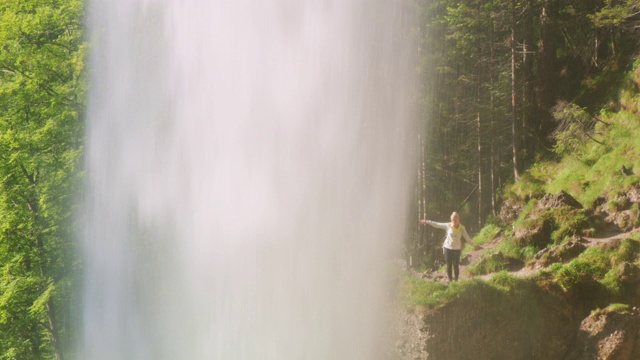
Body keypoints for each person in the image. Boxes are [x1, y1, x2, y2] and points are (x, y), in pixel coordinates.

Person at [420, 212, 481, 282]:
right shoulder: (448, 225)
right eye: (452, 220)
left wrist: (475, 245)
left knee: (456, 265)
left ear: (458, 219)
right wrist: (426, 221)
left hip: (457, 249)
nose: (453, 222)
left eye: (455, 220)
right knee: (449, 265)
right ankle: (450, 281)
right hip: (447, 248)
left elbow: (467, 238)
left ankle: (457, 281)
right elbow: (437, 224)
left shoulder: (462, 228)